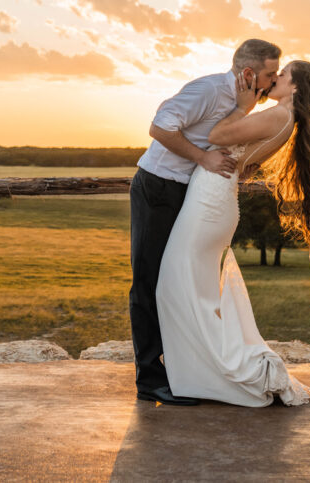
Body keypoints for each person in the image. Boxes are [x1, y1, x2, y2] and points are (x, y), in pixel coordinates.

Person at [156, 60, 310, 407]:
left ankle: (219, 373)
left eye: (284, 74)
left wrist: (242, 107)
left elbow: (216, 137)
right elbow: (246, 163)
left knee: (175, 286)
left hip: (210, 201)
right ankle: (200, 374)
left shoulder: (280, 115)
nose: (276, 78)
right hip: (214, 198)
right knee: (188, 289)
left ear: (295, 87)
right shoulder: (286, 118)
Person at [130, 39, 281, 406]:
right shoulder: (208, 90)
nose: (273, 84)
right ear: (248, 73)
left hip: (187, 193)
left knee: (180, 281)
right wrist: (203, 158)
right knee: (149, 280)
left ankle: (186, 370)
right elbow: (159, 128)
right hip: (158, 188)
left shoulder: (242, 104)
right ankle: (150, 379)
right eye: (269, 75)